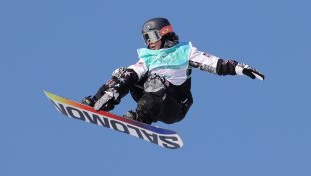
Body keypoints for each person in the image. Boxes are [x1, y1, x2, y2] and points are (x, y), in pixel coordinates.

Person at [81, 17, 265, 125]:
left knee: (155, 79)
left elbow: (218, 65)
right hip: (149, 97)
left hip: (175, 106)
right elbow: (131, 75)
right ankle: (101, 101)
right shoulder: (147, 57)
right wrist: (111, 91)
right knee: (124, 72)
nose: (149, 43)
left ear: (164, 33)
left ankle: (143, 116)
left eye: (152, 37)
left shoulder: (184, 52)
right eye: (146, 39)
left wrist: (242, 68)